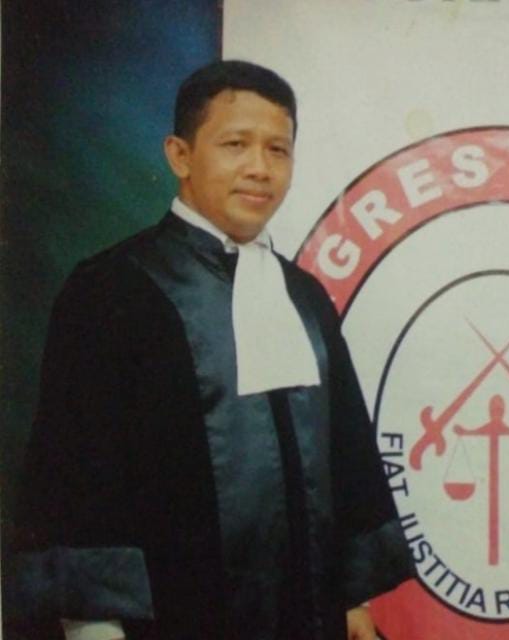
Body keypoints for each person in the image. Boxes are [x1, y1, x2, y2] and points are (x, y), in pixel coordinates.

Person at [6, 60, 414, 640]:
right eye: (235, 144)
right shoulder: (112, 290)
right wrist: (93, 628)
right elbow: (77, 476)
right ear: (180, 155)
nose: (260, 168)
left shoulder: (304, 296)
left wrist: (351, 598)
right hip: (172, 620)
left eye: (278, 150)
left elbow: (343, 450)